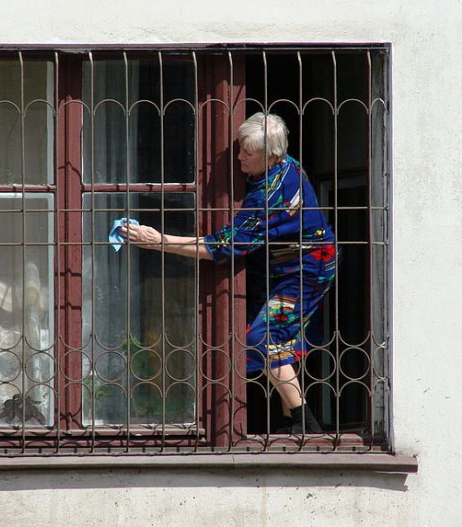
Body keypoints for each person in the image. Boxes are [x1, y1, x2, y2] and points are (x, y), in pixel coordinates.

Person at [120, 112, 336, 434]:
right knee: (277, 340)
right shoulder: (278, 166)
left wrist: (158, 241)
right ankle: (292, 423)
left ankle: (308, 425)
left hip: (308, 268)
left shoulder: (272, 194)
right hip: (277, 265)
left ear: (272, 156)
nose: (238, 158)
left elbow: (222, 247)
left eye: (247, 153)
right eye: (240, 149)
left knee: (264, 338)